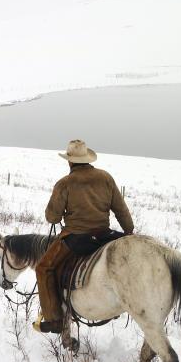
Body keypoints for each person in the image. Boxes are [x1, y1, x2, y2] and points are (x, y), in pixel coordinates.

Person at [36, 139, 134, 333]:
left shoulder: (65, 183)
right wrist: (128, 231)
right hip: (105, 235)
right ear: (88, 159)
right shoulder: (106, 177)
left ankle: (54, 319)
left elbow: (52, 217)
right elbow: (121, 210)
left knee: (43, 268)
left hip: (77, 239)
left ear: (70, 161)